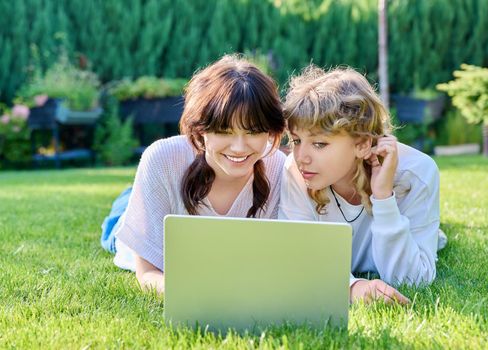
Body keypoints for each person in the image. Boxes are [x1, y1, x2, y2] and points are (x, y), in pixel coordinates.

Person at [101, 55, 286, 294]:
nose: (239, 147)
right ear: (200, 130)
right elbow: (147, 272)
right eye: (224, 130)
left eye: (253, 131)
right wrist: (190, 292)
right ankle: (127, 199)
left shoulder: (279, 168)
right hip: (145, 209)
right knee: (116, 228)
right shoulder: (162, 158)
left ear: (270, 131)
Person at [279, 66, 446, 305]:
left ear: (362, 144)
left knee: (434, 237)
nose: (301, 156)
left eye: (319, 144)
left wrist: (384, 198)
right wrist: (352, 287)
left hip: (410, 221)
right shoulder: (295, 171)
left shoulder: (416, 174)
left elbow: (413, 281)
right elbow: (297, 257)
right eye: (296, 140)